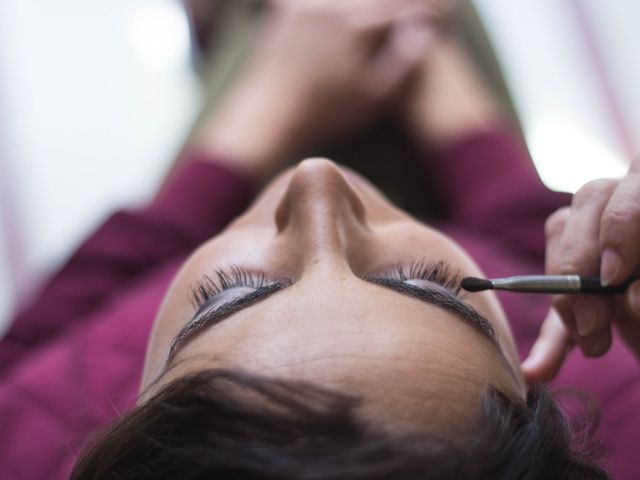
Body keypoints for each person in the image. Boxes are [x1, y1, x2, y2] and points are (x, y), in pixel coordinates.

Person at [1, 1, 638, 478]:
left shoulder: (23, 438)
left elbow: (78, 298)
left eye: (229, 295)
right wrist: (435, 68)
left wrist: (265, 106)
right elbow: (544, 247)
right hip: (479, 192)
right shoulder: (621, 400)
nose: (317, 183)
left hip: (213, 189)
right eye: (423, 284)